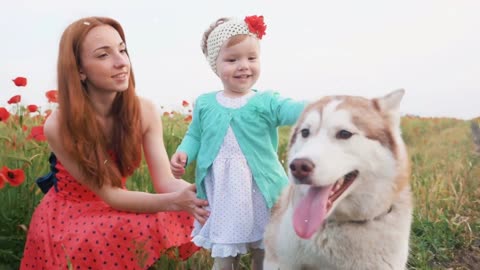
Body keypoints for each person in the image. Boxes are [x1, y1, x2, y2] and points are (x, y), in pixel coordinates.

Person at [20, 16, 209, 270]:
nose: (122, 62)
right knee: (142, 222)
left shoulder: (144, 111)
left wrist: (204, 196)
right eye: (103, 55)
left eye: (122, 50)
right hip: (70, 217)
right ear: (79, 70)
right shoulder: (59, 124)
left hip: (119, 205)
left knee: (193, 213)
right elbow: (110, 195)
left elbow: (165, 182)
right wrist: (178, 201)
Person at [170, 15, 306, 270]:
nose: (244, 66)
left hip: (263, 192)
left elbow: (292, 110)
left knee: (267, 252)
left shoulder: (267, 101)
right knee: (225, 253)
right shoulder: (206, 103)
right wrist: (183, 152)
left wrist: (320, 106)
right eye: (232, 60)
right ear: (216, 65)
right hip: (224, 193)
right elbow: (195, 135)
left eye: (251, 58)